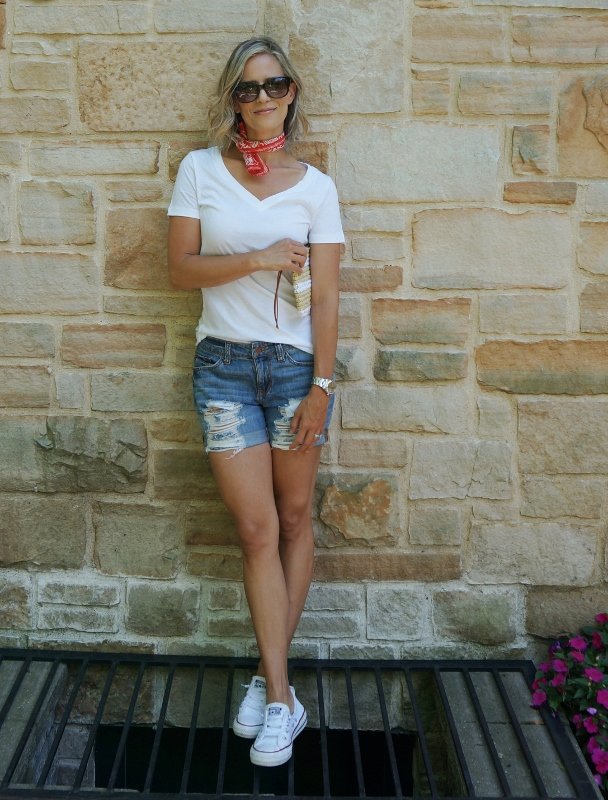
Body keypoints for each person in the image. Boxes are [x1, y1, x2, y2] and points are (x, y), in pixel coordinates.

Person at [167, 36, 344, 767]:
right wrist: (260, 257)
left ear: (291, 92)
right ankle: (281, 696)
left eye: (274, 85)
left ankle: (270, 684)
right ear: (232, 100)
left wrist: (322, 387)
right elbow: (180, 270)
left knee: (295, 518)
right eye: (247, 88)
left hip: (295, 371)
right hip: (225, 370)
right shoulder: (200, 170)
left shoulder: (316, 187)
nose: (262, 98)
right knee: (255, 529)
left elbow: (326, 296)